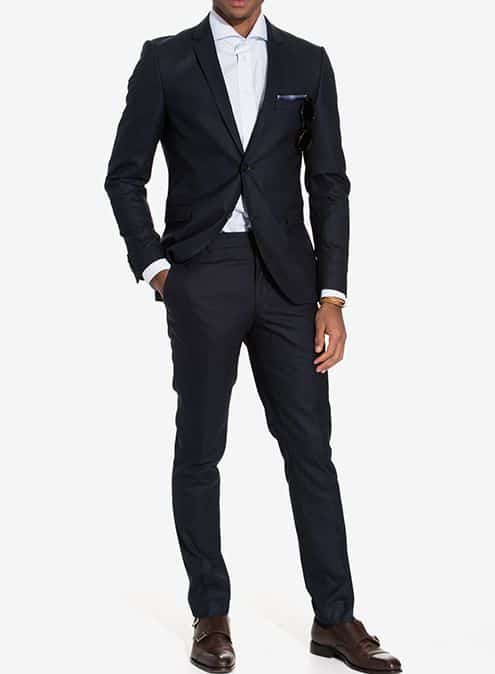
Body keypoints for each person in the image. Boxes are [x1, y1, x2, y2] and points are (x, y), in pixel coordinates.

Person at [105, 2, 401, 672]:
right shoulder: (166, 59)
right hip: (201, 274)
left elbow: (329, 183)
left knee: (311, 450)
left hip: (291, 284)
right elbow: (124, 174)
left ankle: (335, 617)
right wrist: (157, 270)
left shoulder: (307, 61)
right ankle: (210, 614)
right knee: (200, 446)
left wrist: (332, 296)